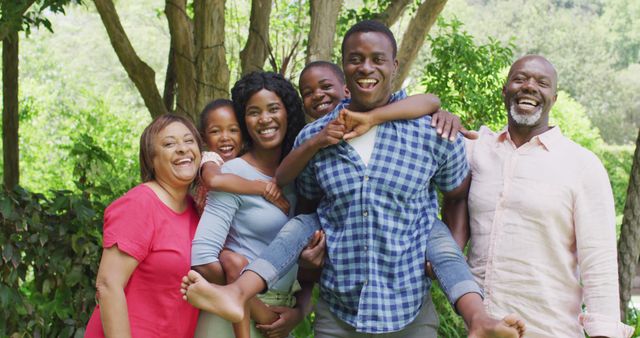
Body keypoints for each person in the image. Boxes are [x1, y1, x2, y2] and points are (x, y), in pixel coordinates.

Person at [182, 21, 525, 338]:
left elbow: (457, 193)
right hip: (339, 311)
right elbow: (309, 203)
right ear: (344, 66)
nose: (366, 67)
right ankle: (237, 291)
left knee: (439, 238)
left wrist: (449, 243)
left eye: (378, 59)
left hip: (408, 307)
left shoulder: (432, 130)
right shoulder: (315, 137)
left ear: (394, 64)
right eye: (355, 59)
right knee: (301, 223)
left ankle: (478, 319)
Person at [461, 55, 634, 338]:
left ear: (553, 98)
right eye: (520, 79)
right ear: (505, 91)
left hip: (551, 331)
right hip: (483, 330)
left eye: (541, 83)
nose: (529, 86)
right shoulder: (477, 150)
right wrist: (445, 117)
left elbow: (599, 263)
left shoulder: (581, 165)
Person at [189, 71, 310, 338]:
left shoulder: (302, 176)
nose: (265, 119)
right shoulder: (233, 174)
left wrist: (299, 313)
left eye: (273, 109)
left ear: (288, 112)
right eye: (254, 112)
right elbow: (202, 258)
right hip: (231, 322)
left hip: (281, 320)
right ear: (245, 121)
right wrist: (256, 307)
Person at [84, 114, 201, 337]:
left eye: (189, 141)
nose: (182, 149)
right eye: (169, 144)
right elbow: (108, 285)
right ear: (151, 159)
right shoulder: (139, 204)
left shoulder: (197, 210)